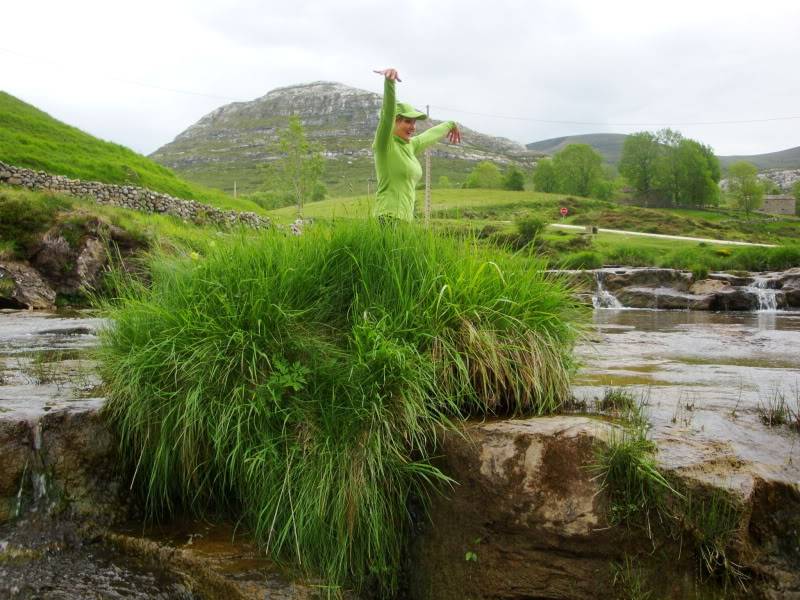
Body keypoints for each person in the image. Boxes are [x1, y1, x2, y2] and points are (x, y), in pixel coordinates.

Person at [372, 68, 461, 222]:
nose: (413, 127)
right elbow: (387, 115)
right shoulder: (384, 144)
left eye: (414, 122)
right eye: (407, 121)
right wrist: (389, 83)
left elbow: (430, 135)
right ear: (394, 121)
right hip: (387, 218)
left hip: (404, 220)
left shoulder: (410, 145)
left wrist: (450, 124)